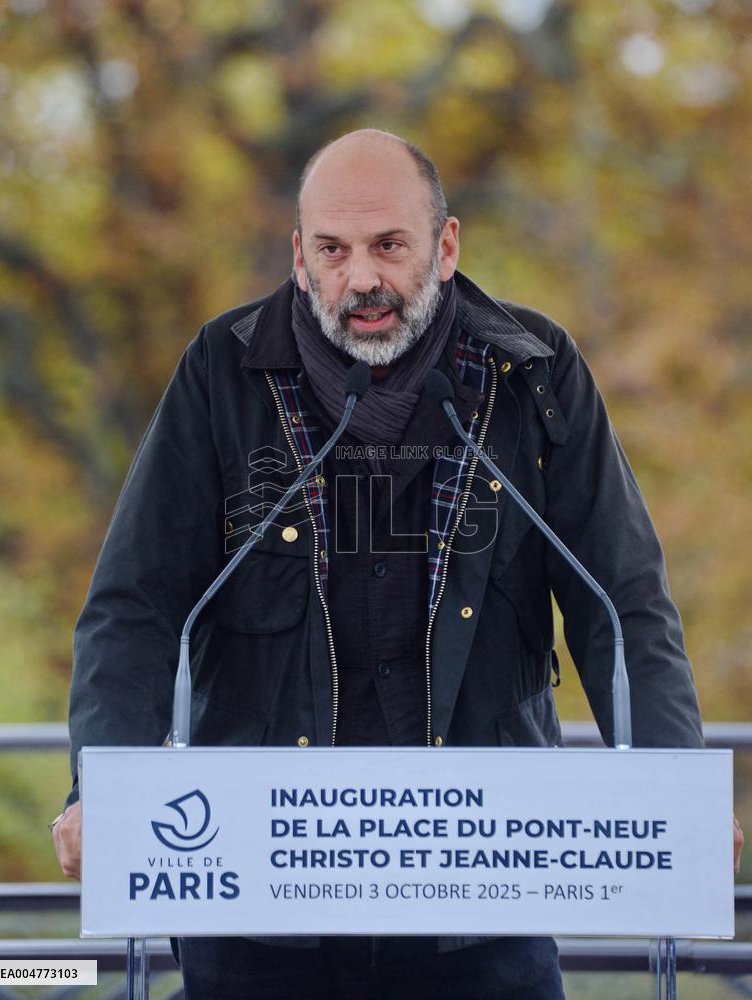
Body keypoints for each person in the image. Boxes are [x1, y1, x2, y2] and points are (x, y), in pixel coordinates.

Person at [53, 129, 742, 998]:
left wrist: (676, 785)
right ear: (300, 257)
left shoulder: (534, 374)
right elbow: (135, 610)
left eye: (389, 246)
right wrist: (103, 786)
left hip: (483, 890)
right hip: (258, 887)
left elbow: (622, 605)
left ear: (446, 246)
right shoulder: (219, 372)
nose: (362, 280)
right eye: (334, 252)